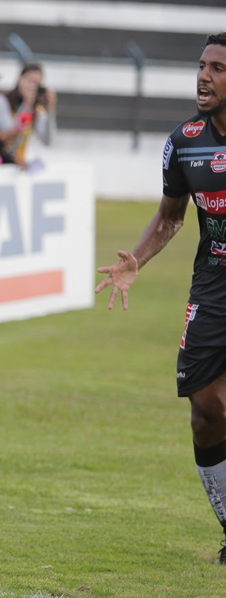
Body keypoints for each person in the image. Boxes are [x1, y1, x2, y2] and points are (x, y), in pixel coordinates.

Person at [95, 32, 226, 565]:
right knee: (205, 408)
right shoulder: (185, 141)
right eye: (201, 66)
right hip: (214, 282)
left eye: (217, 68)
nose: (203, 76)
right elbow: (172, 216)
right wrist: (137, 261)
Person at [0, 62, 57, 167]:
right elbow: (10, 136)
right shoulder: (0, 101)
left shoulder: (36, 110)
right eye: (29, 81)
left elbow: (48, 141)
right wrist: (27, 104)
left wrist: (50, 110)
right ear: (19, 79)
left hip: (18, 165)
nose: (32, 86)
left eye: (36, 83)